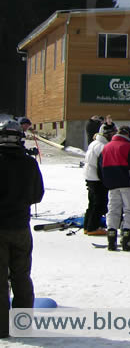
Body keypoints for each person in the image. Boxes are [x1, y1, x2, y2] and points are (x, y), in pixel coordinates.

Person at [0, 121, 44, 339]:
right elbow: (37, 195)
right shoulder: (29, 164)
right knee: (21, 276)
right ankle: (23, 324)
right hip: (19, 227)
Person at [100, 124, 130, 251]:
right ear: (128, 134)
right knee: (129, 210)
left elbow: (100, 167)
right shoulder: (129, 146)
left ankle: (111, 238)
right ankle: (128, 239)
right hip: (127, 183)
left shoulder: (106, 148)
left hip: (111, 184)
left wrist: (106, 181)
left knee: (113, 210)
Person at [83, 121, 115, 236]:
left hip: (90, 177)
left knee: (92, 203)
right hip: (97, 179)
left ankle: (87, 226)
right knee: (98, 203)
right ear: (107, 134)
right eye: (112, 134)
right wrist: (106, 180)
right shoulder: (103, 146)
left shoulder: (94, 143)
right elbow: (102, 166)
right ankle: (93, 227)